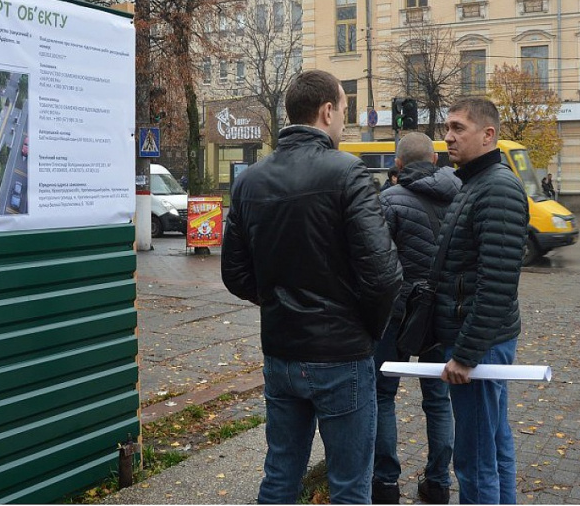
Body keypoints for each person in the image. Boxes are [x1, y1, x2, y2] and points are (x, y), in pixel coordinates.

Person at [221, 69, 403, 504]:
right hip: (341, 354)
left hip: (282, 354)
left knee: (281, 476)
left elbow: (235, 273)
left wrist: (275, 302)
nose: (344, 118)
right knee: (349, 485)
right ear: (326, 111)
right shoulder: (348, 173)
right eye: (344, 109)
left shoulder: (250, 180)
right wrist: (367, 331)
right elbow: (383, 275)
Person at [433, 97, 529, 504]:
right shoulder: (475, 182)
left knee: (474, 458)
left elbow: (497, 283)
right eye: (447, 129)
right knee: (492, 443)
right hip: (480, 340)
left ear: (489, 135)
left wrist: (467, 354)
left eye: (458, 129)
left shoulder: (497, 189)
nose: (448, 138)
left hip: (478, 345)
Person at [372, 132, 460, 504]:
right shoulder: (461, 193)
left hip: (398, 312)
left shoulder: (388, 201)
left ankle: (386, 483)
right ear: (436, 161)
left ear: (398, 164)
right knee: (439, 400)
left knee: (382, 396)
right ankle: (438, 483)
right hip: (441, 314)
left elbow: (377, 263)